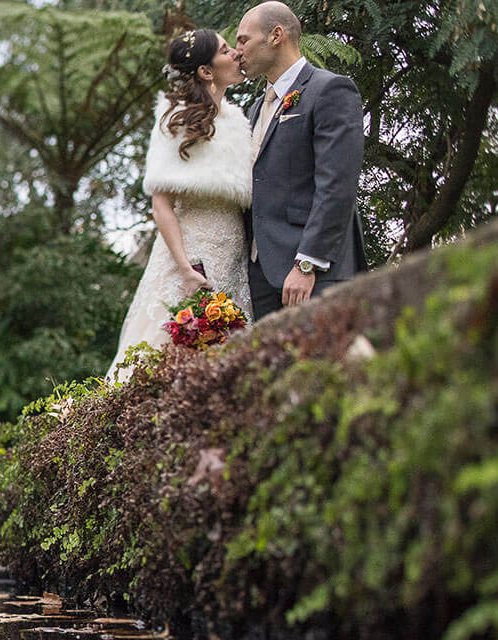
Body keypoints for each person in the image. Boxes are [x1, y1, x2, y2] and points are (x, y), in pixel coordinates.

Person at [107, 27, 253, 384]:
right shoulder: (175, 118)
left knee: (228, 359)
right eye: (224, 50)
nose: (236, 53)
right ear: (206, 70)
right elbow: (161, 203)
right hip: (188, 256)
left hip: (234, 252)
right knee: (166, 357)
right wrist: (185, 267)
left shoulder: (240, 120)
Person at [236, 2, 367, 317]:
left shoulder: (329, 90)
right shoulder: (255, 108)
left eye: (244, 40)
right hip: (261, 275)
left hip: (314, 273)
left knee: (323, 365)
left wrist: (307, 263)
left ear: (276, 35)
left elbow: (337, 184)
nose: (237, 50)